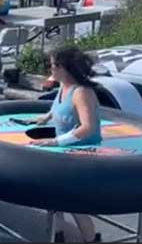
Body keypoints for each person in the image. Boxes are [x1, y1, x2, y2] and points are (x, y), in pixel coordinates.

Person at [31, 45, 102, 243]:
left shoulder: (82, 93)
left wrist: (56, 141)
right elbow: (58, 109)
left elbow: (87, 127)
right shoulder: (64, 87)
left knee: (73, 203)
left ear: (64, 68)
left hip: (82, 153)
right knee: (54, 200)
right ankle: (58, 235)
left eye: (53, 65)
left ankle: (92, 240)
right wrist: (44, 118)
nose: (50, 69)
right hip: (63, 152)